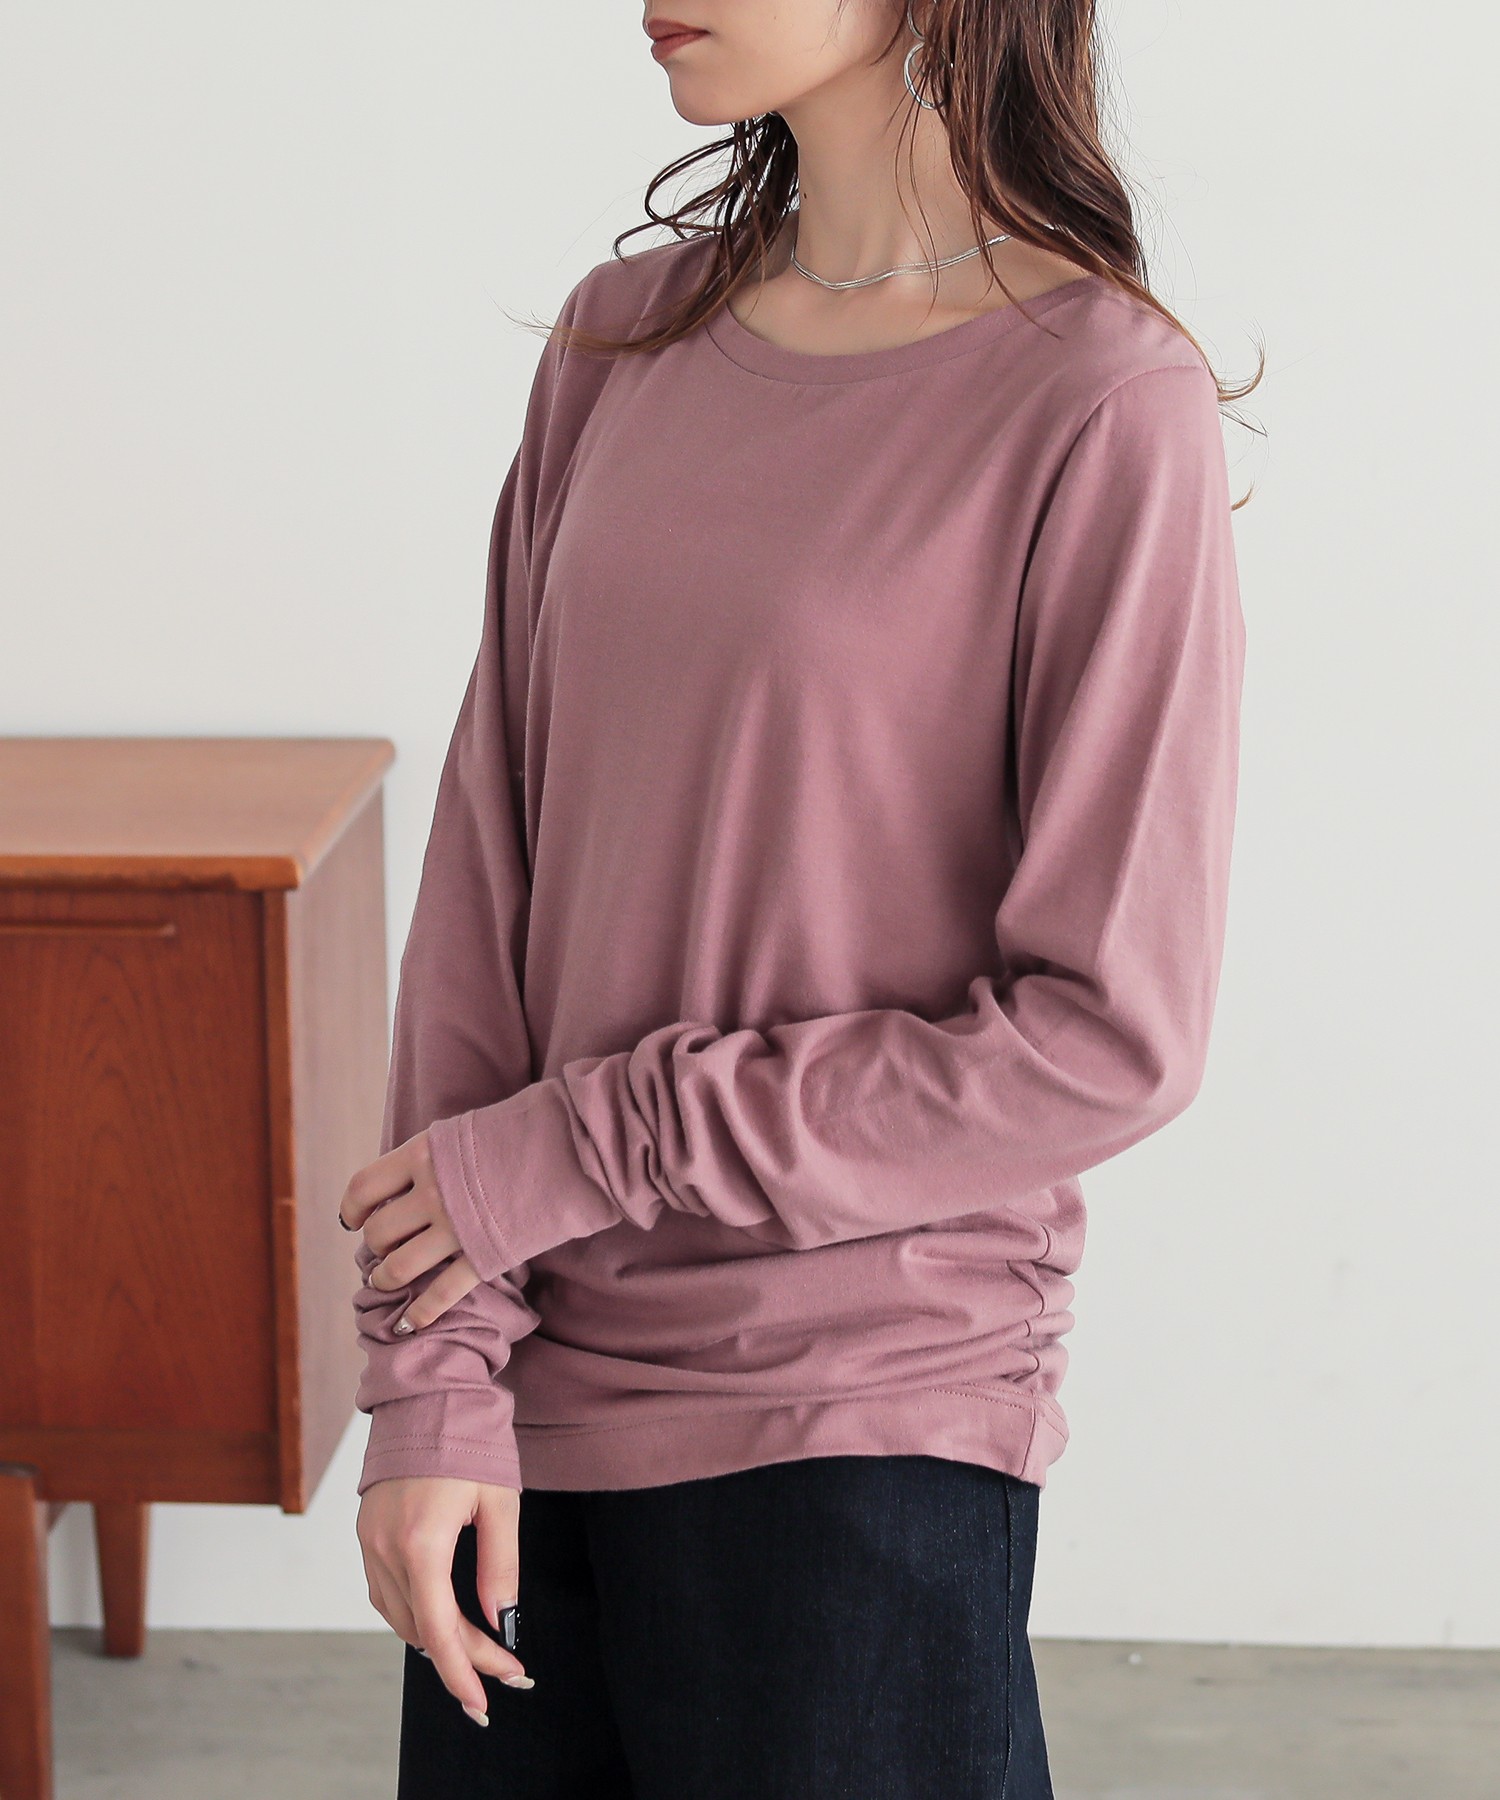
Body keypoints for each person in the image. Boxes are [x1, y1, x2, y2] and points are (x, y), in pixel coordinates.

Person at [339, 1, 1259, 1793]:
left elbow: (1108, 1037)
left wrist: (589, 1145)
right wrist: (432, 1368)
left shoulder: (1099, 397)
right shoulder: (620, 343)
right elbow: (484, 882)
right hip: (528, 1413)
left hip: (859, 1431)